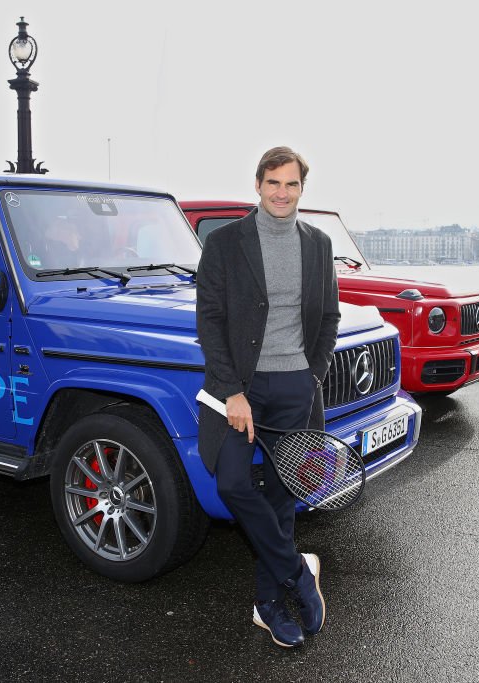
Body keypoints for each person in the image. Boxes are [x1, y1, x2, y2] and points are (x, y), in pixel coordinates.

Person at [196, 146, 340, 648]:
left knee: (280, 498)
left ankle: (270, 605)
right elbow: (209, 323)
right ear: (257, 185)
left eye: (292, 184)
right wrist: (233, 391)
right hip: (240, 389)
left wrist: (312, 374)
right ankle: (299, 573)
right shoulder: (225, 243)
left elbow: (328, 319)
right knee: (234, 483)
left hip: (295, 386)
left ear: (303, 188)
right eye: (273, 183)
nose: (282, 193)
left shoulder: (318, 245)